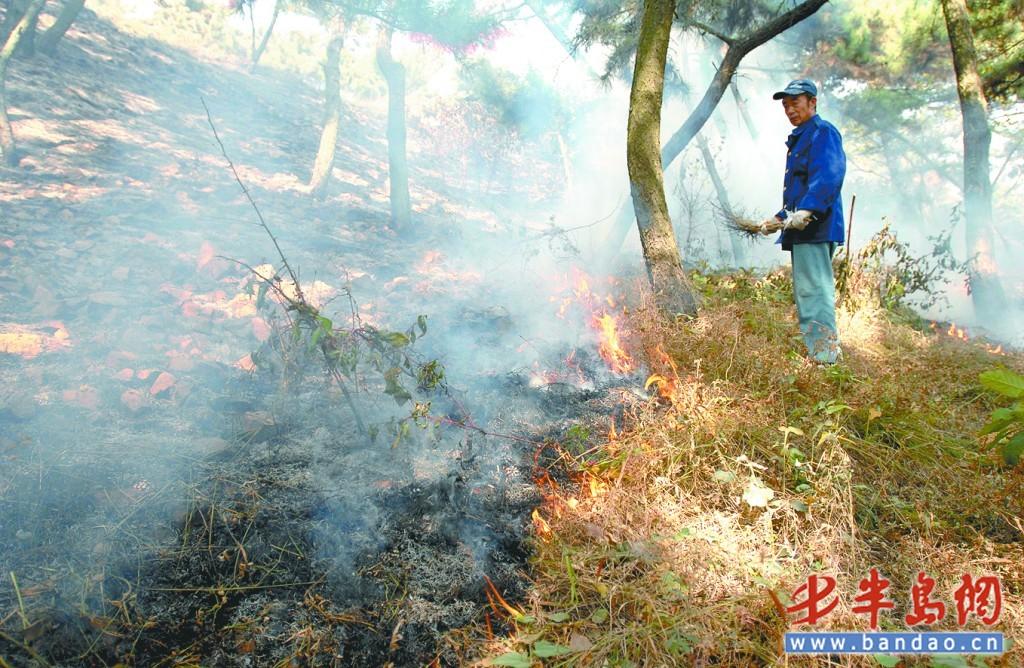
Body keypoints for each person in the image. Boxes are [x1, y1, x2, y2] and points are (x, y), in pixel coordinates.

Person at [761, 79, 846, 365]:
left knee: (814, 291)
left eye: (795, 102)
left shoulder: (822, 132)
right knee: (807, 291)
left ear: (812, 102)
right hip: (803, 226)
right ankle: (822, 353)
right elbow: (798, 192)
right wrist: (779, 218)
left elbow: (829, 175)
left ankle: (825, 359)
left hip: (816, 227)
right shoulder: (801, 137)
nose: (789, 109)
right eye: (785, 105)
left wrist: (808, 211)